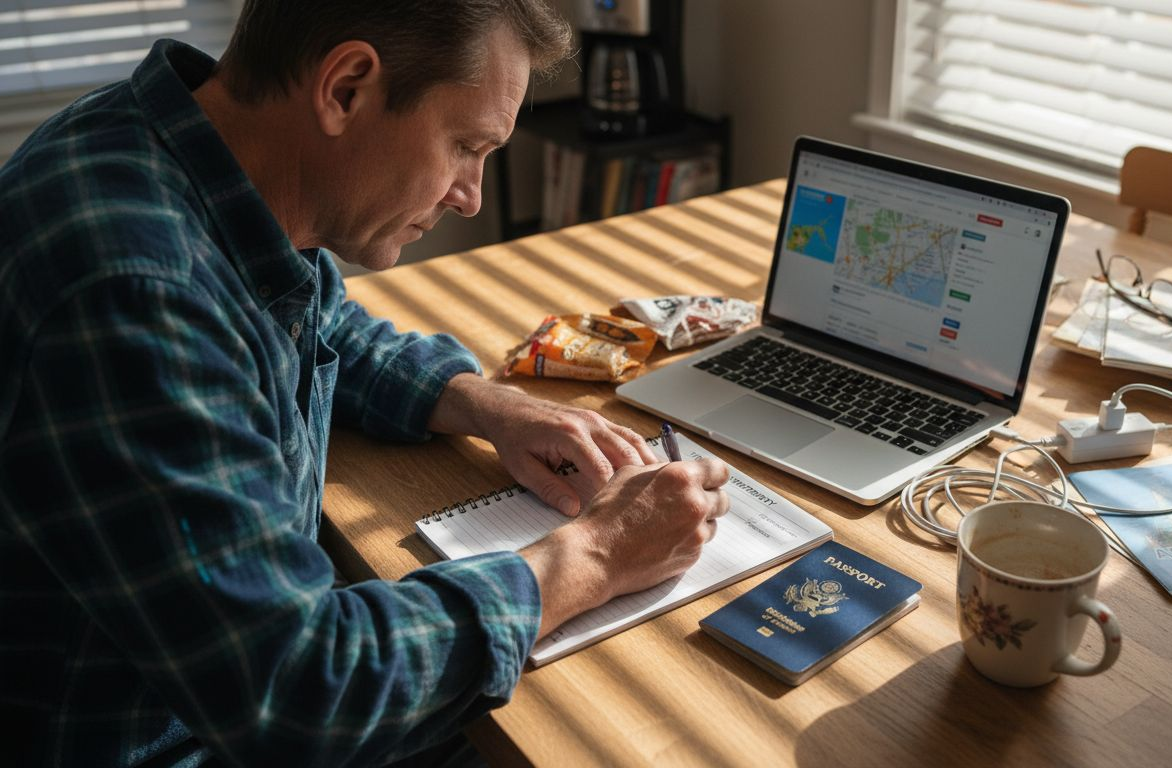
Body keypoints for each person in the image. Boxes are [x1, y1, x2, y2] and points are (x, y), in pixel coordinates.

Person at [0, 1, 730, 765]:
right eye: (465, 146)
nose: (471, 196)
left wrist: (489, 406)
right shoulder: (134, 292)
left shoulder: (193, 159)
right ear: (346, 88)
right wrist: (597, 555)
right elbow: (299, 691)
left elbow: (315, 323)